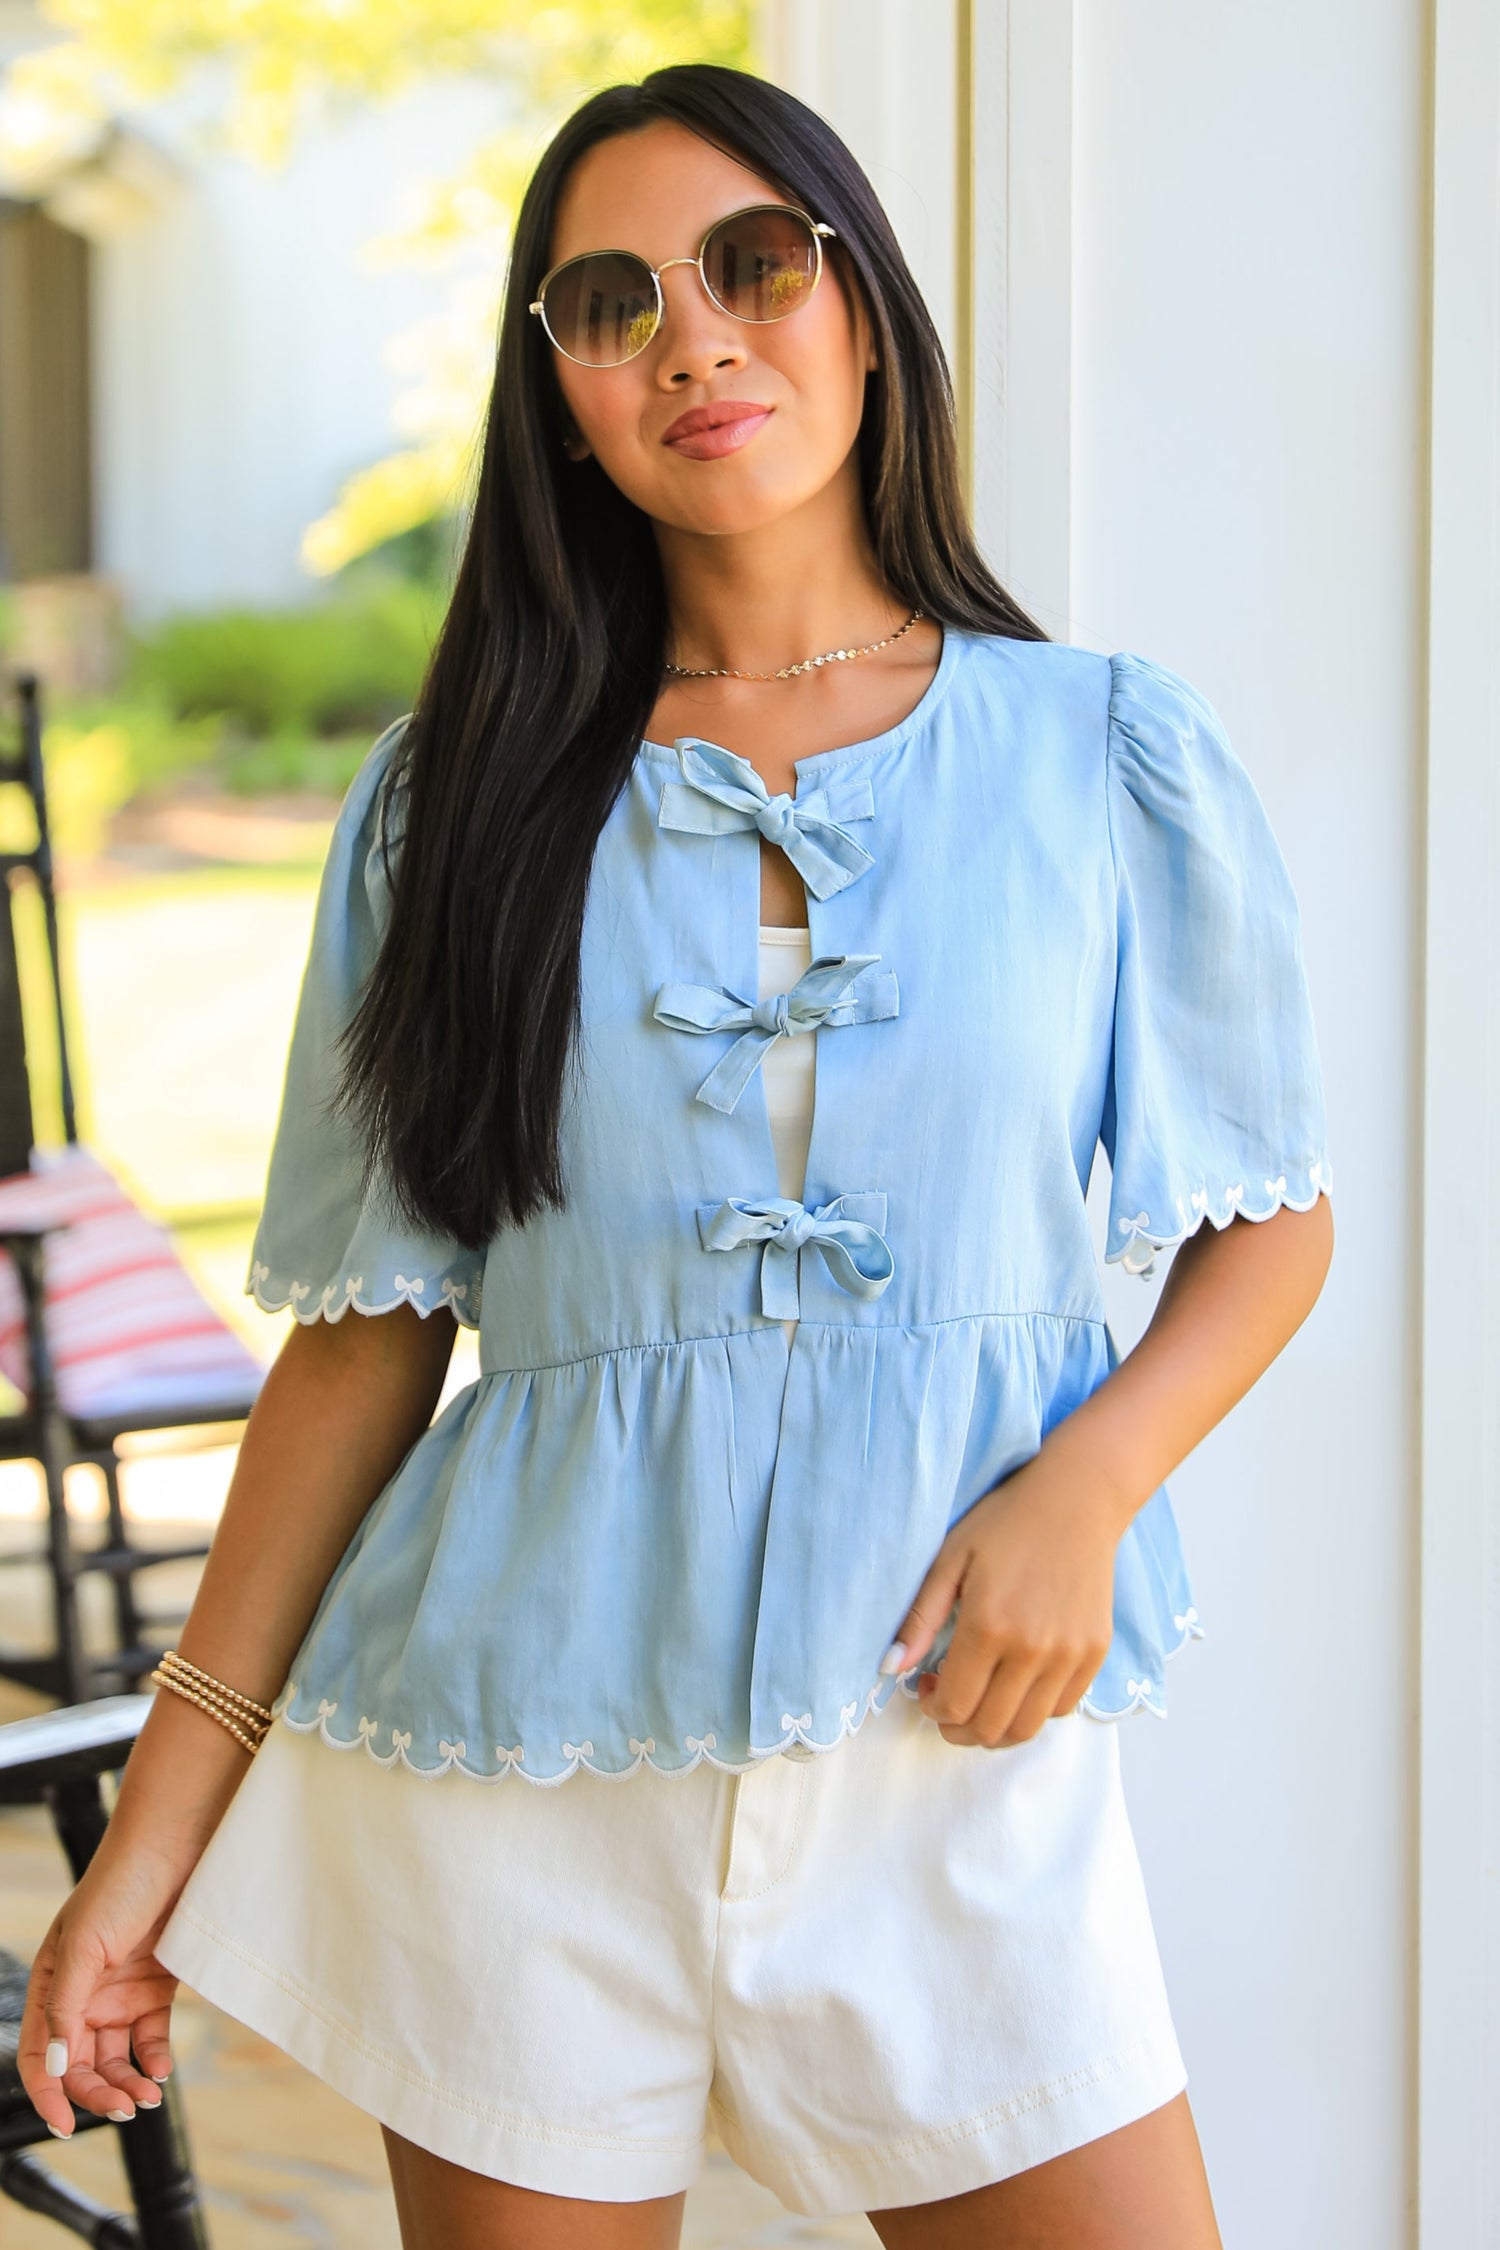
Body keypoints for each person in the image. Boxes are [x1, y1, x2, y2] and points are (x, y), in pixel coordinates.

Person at [18, 61, 1333, 2250]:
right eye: (613, 303)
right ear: (557, 397)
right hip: (509, 1796)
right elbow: (359, 1354)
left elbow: (1268, 1228)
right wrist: (139, 1869)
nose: (697, 340)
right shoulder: (456, 808)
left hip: (951, 1766)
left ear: (861, 311)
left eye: (754, 267)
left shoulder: (1107, 755)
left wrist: (1088, 1493)